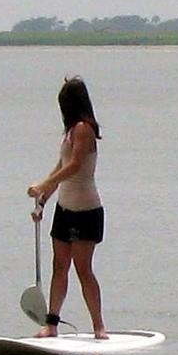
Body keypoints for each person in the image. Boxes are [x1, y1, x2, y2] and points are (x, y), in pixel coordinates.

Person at [27, 76, 108, 339]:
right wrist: (43, 197)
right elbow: (61, 167)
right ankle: (51, 324)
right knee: (59, 266)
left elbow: (74, 166)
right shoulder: (70, 132)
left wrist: (45, 182)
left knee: (83, 268)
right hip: (65, 209)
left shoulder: (84, 129)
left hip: (87, 210)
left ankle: (99, 326)